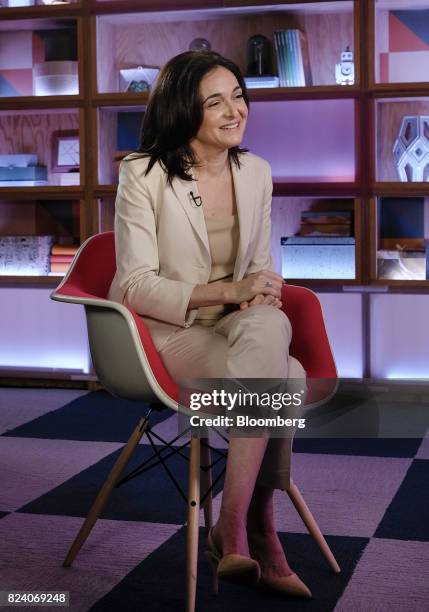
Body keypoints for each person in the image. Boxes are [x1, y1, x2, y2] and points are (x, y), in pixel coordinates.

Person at [108, 50, 311, 599]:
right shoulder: (143, 174)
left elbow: (263, 265)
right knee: (285, 378)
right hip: (166, 329)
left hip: (239, 325)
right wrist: (229, 291)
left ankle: (233, 525)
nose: (234, 111)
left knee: (269, 333)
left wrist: (260, 291)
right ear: (183, 110)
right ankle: (258, 530)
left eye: (238, 95)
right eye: (214, 101)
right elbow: (134, 285)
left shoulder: (257, 171)